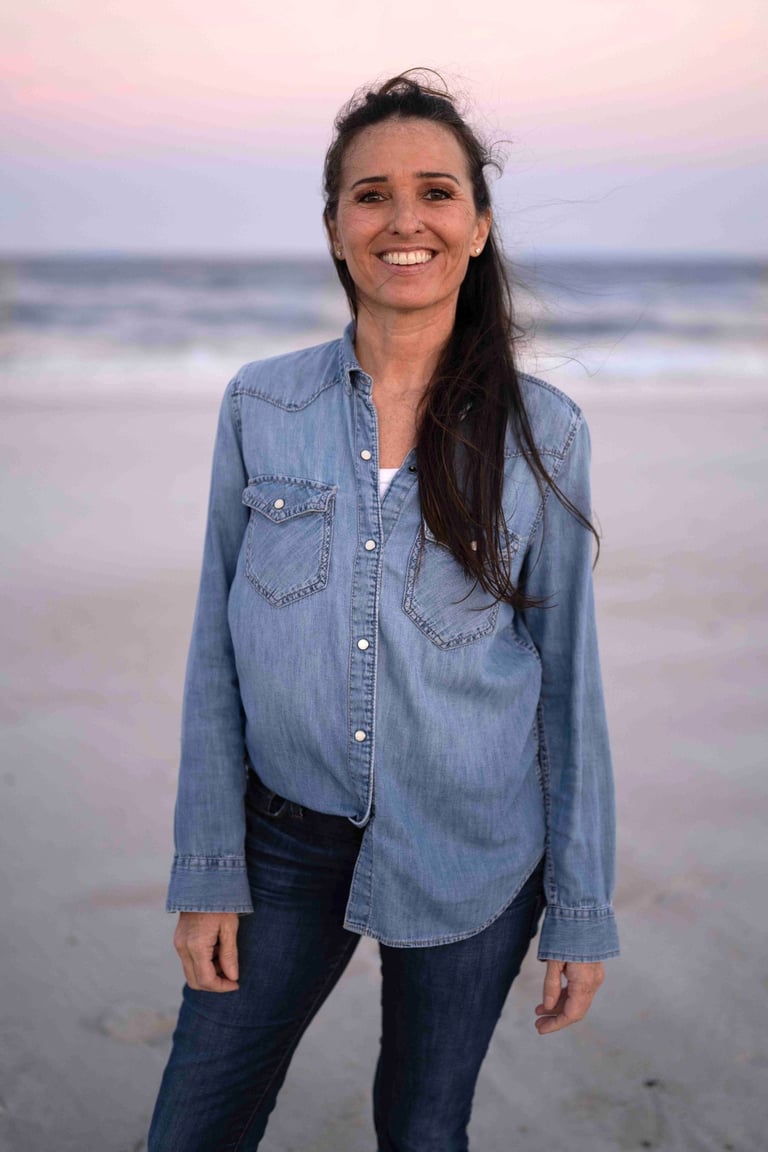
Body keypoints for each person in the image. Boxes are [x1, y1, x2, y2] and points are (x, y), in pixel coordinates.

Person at [148, 71, 619, 1152]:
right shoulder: (260, 404)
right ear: (334, 227)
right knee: (192, 1129)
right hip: (280, 845)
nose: (405, 220)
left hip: (476, 849)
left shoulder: (546, 433)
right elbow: (216, 656)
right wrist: (207, 866)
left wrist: (582, 906)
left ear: (478, 225)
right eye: (371, 196)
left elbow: (569, 687)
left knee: (422, 1132)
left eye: (436, 192)